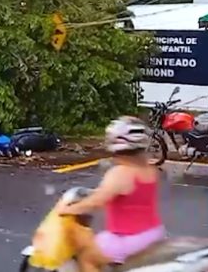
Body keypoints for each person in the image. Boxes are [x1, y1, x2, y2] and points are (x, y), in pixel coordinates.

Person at [57, 116, 166, 272]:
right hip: (153, 234)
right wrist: (95, 193)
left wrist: (66, 209)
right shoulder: (150, 170)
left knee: (87, 256)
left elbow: (95, 203)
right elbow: (128, 197)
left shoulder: (120, 173)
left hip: (128, 239)